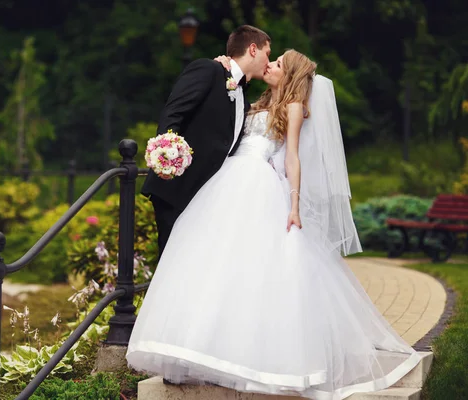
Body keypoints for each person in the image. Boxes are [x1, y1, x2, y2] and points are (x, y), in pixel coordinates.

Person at [126, 49, 425, 399]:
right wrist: (226, 69)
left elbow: (293, 157)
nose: (270, 65)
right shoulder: (256, 98)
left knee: (254, 270)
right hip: (226, 183)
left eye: (278, 63)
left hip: (257, 187)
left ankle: (252, 355)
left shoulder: (293, 108)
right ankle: (206, 345)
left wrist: (294, 204)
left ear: (290, 75)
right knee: (215, 263)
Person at [141, 25, 271, 256]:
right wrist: (166, 160)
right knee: (172, 264)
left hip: (207, 198)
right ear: (253, 49)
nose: (268, 62)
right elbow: (173, 113)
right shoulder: (209, 70)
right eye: (267, 54)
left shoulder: (242, 93)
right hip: (177, 190)